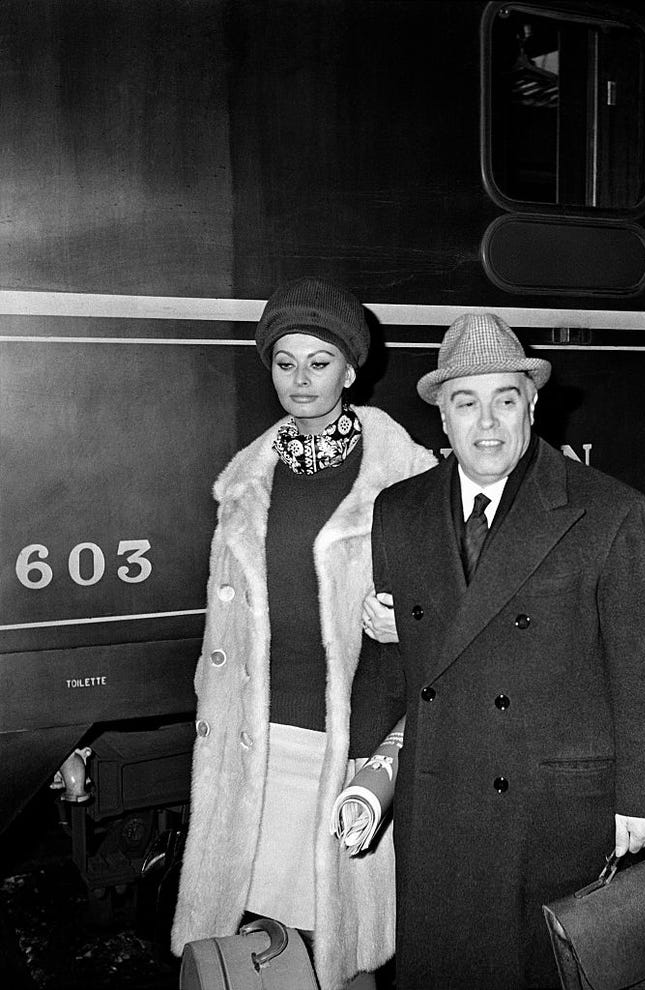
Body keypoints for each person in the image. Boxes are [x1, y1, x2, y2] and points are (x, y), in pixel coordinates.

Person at [356, 312, 645, 989]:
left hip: (553, 809)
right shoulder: (399, 512)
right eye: (465, 403)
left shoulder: (612, 512)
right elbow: (392, 658)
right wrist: (368, 770)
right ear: (440, 419)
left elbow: (644, 671)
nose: (487, 424)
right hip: (438, 801)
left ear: (532, 406)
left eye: (506, 400)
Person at [170, 277, 437, 989]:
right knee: (261, 946)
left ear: (351, 370)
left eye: (319, 362)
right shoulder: (244, 482)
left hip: (350, 741)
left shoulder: (407, 477)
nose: (301, 379)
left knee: (343, 948)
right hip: (258, 738)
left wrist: (400, 619)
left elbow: (448, 619)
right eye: (285, 363)